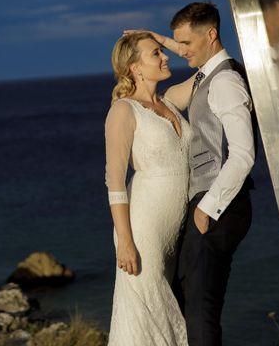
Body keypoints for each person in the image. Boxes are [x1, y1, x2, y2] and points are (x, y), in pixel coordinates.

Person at [140, 2, 256, 346]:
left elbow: (244, 156)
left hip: (219, 205)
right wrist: (164, 38)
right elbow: (187, 57)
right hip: (211, 203)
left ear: (211, 35)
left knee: (200, 311)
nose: (180, 52)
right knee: (186, 298)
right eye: (177, 45)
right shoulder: (210, 73)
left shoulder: (226, 83)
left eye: (185, 44)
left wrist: (207, 209)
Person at [105, 31, 196, 346]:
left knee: (158, 311)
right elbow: (115, 183)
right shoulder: (123, 110)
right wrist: (125, 242)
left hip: (172, 228)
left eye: (162, 51)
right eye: (156, 53)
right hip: (142, 231)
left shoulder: (169, 99)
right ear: (135, 68)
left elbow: (211, 69)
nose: (165, 57)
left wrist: (163, 39)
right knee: (149, 316)